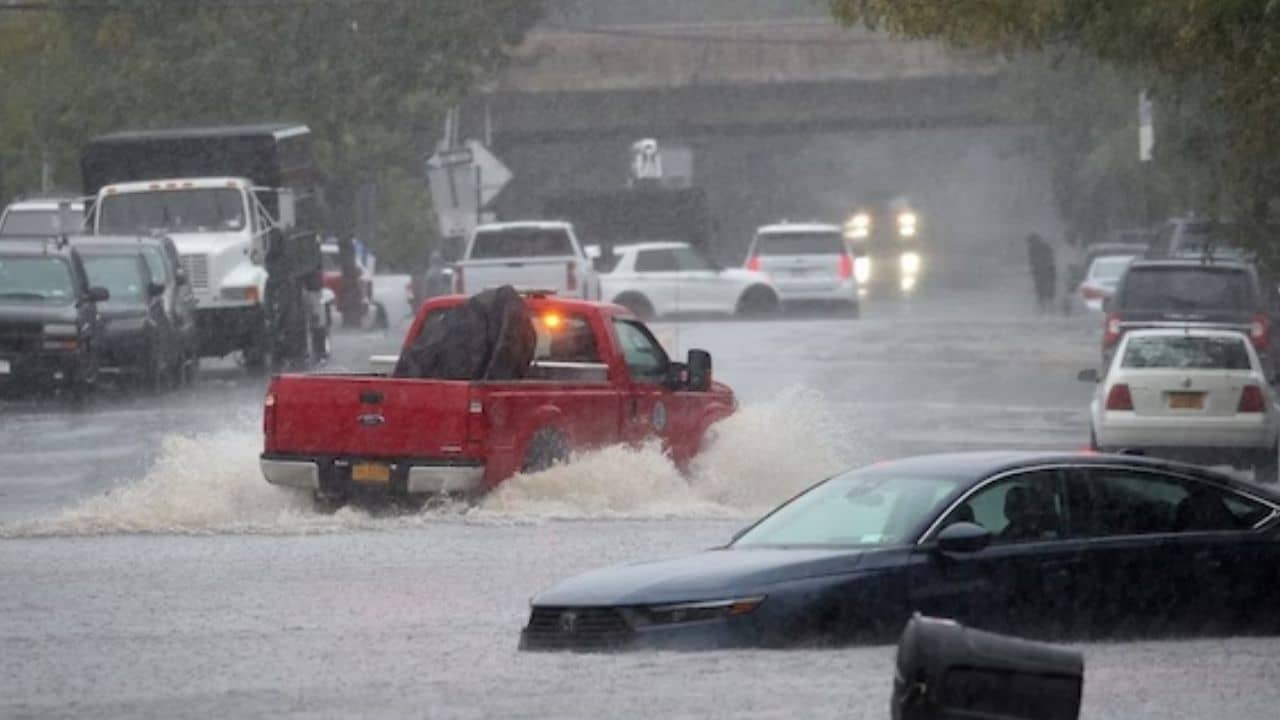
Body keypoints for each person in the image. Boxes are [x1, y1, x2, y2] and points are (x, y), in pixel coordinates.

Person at [1026, 233, 1056, 313]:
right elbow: (1032, 261)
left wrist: (1036, 268)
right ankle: (1045, 308)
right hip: (1044, 271)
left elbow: (1032, 261)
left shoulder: (1036, 249)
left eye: (1031, 241)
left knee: (1044, 290)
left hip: (1044, 271)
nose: (1030, 244)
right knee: (1043, 290)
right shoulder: (1041, 247)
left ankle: (1047, 308)